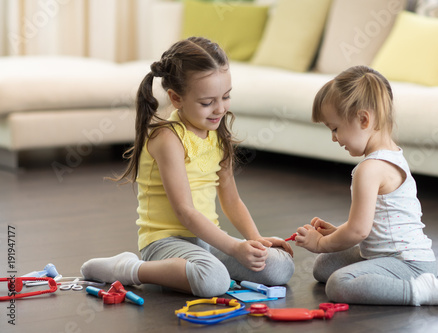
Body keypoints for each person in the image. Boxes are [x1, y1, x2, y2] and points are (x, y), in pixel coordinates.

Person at [81, 37, 294, 297]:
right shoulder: (167, 138)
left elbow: (232, 200)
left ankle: (192, 269)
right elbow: (184, 211)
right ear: (176, 98)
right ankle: (128, 268)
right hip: (164, 242)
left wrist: (255, 239)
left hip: (206, 240)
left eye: (226, 97)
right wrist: (233, 248)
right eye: (207, 102)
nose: (220, 109)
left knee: (280, 268)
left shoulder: (217, 133)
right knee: (213, 281)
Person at [294, 65, 438, 307]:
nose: (334, 138)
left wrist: (319, 243)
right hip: (391, 255)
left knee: (338, 284)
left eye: (335, 128)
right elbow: (372, 222)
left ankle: (420, 291)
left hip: (408, 264)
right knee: (324, 266)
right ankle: (395, 280)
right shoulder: (392, 155)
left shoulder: (368, 170)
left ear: (363, 119)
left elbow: (358, 231)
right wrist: (336, 234)